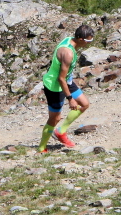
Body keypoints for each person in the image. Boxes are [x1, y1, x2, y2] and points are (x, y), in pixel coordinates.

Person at [38, 24, 94, 152]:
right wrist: (70, 99)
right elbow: (60, 79)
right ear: (80, 39)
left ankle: (60, 131)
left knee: (84, 104)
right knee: (55, 118)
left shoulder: (69, 40)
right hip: (54, 86)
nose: (89, 43)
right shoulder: (68, 53)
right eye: (88, 41)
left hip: (66, 81)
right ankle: (41, 148)